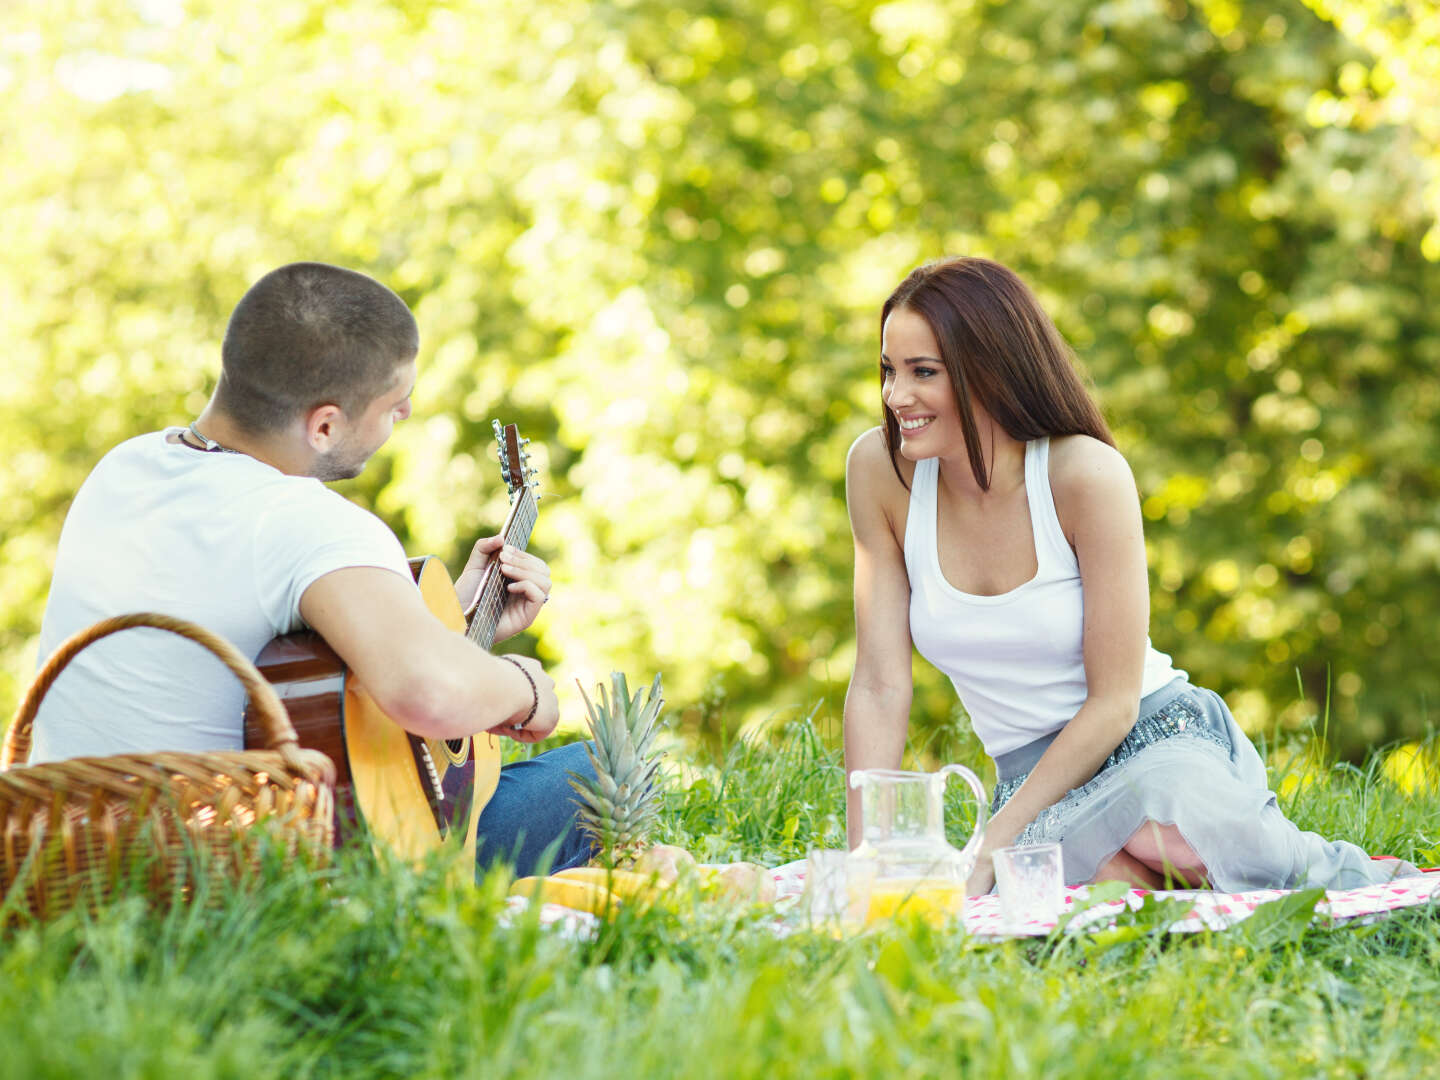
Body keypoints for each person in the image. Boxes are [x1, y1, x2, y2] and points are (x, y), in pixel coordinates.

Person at [843, 256, 1421, 895]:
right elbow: (877, 684)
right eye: (889, 371)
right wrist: (863, 862)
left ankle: (1358, 877)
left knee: (1170, 839)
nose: (897, 397)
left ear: (990, 370)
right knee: (1118, 883)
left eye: (923, 372)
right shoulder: (881, 471)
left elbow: (1114, 702)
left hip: (1150, 736)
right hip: (1037, 778)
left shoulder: (1083, 474)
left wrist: (993, 841)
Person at [31, 262, 594, 876]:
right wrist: (526, 686)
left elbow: (284, 653)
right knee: (590, 769)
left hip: (65, 848)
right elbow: (430, 693)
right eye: (394, 402)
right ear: (325, 425)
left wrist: (449, 617)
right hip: (225, 876)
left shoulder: (124, 467)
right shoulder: (310, 522)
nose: (405, 412)